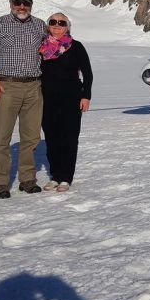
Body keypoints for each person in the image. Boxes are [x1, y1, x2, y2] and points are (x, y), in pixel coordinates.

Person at [0, 0, 47, 199]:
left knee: (32, 136)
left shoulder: (40, 25)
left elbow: (53, 49)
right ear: (10, 3)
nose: (21, 7)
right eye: (18, 2)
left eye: (25, 3)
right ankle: (0, 183)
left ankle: (27, 179)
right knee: (2, 137)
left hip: (34, 87)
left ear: (31, 5)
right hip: (7, 86)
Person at [39, 12, 93, 193]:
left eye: (61, 23)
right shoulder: (41, 47)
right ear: (48, 25)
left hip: (72, 99)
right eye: (53, 22)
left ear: (67, 26)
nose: (57, 25)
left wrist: (86, 96)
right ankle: (55, 175)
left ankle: (66, 177)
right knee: (52, 137)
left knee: (69, 138)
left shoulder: (76, 47)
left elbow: (88, 73)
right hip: (47, 99)